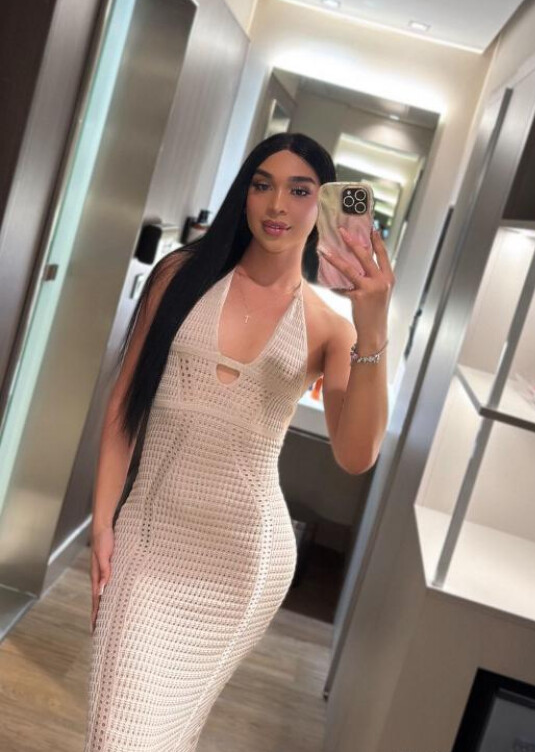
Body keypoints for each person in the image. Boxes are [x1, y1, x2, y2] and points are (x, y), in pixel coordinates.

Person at [84, 131, 393, 751]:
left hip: (242, 560)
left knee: (166, 735)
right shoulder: (181, 276)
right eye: (262, 185)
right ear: (244, 194)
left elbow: (356, 455)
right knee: (119, 733)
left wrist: (373, 324)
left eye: (300, 191)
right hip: (149, 538)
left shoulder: (329, 328)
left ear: (326, 206)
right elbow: (122, 408)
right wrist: (102, 522)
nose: (277, 205)